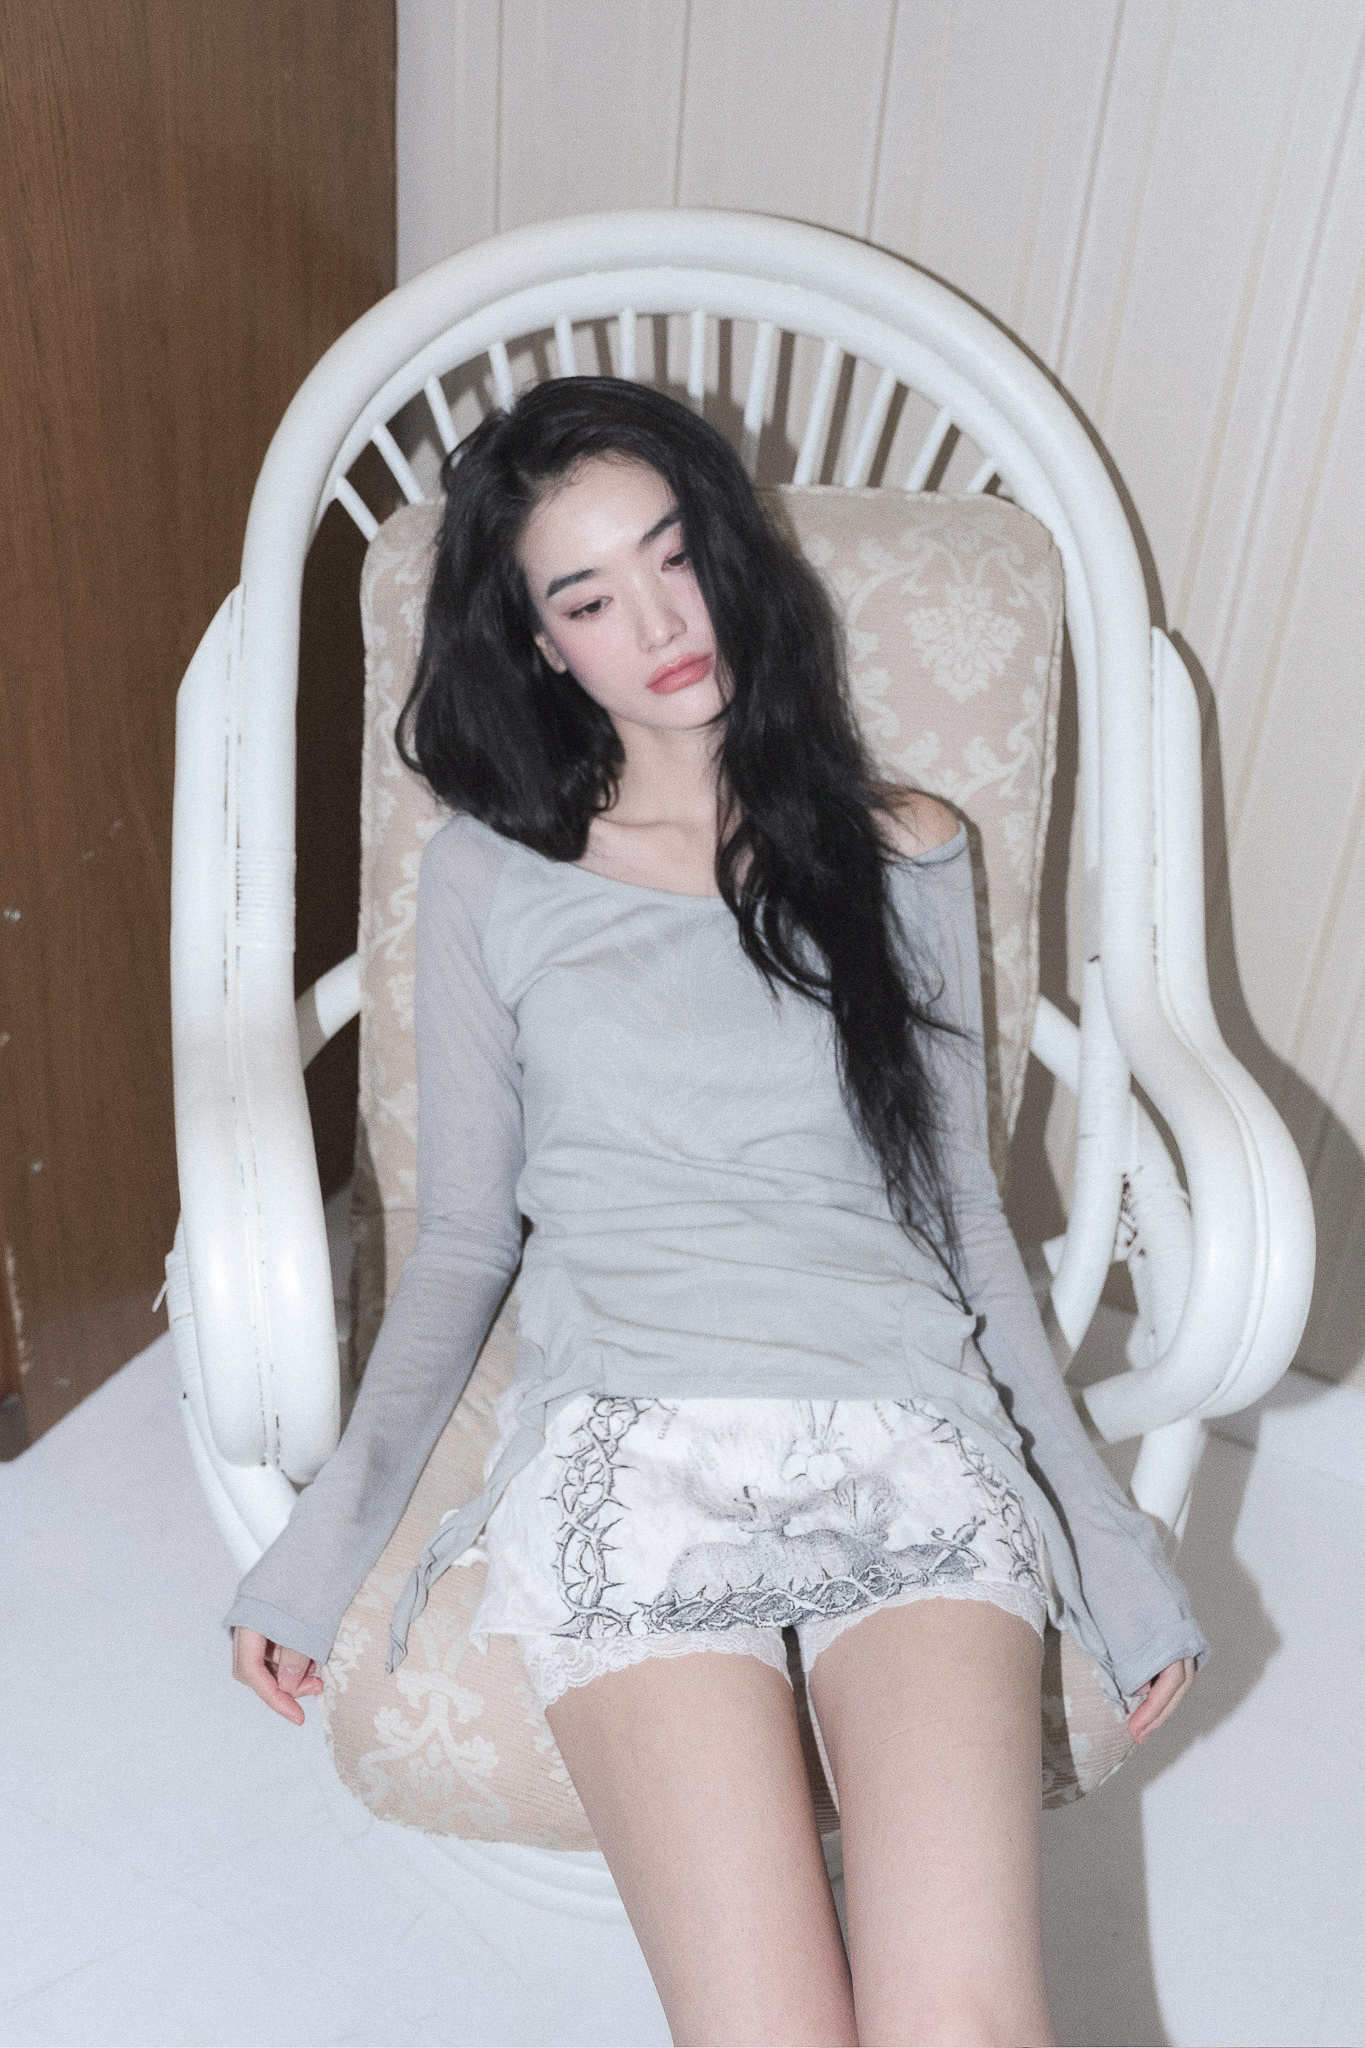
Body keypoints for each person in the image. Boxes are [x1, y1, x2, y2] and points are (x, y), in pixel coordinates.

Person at [229, 377, 1206, 2046]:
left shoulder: (901, 847)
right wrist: (316, 1550)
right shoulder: (490, 876)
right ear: (541, 646)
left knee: (965, 2027)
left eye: (672, 556)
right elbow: (461, 1244)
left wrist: (1106, 1547)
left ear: (730, 555)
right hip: (631, 1451)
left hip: (904, 1435)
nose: (658, 623)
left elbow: (963, 1224)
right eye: (587, 597)